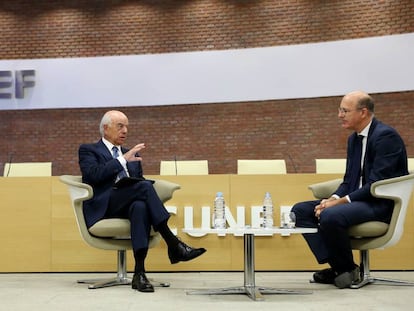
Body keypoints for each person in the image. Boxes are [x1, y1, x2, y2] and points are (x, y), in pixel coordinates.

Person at [78, 110, 206, 293]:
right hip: (104, 205)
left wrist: (128, 162)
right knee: (145, 187)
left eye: (127, 126)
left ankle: (139, 273)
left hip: (127, 204)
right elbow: (93, 176)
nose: (125, 131)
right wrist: (122, 160)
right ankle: (173, 243)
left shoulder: (131, 154)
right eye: (120, 126)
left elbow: (136, 184)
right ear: (105, 129)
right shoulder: (88, 150)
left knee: (140, 206)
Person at [291, 91, 408, 289]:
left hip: (378, 203)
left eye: (344, 110)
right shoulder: (353, 139)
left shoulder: (385, 137)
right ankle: (342, 268)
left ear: (363, 112)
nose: (340, 115)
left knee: (331, 215)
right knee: (300, 211)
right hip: (357, 201)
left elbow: (375, 184)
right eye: (340, 110)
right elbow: (349, 180)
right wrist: (332, 198)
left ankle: (343, 271)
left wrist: (338, 203)